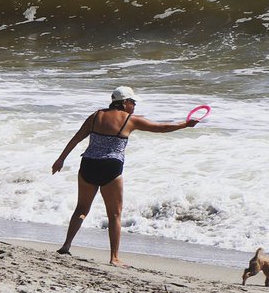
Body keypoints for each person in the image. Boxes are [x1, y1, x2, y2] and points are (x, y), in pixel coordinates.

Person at [52, 85, 198, 266]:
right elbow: (161, 128)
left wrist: (60, 159)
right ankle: (114, 258)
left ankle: (66, 246)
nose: (135, 106)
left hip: (88, 164)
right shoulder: (130, 120)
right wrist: (185, 124)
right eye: (133, 102)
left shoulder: (96, 116)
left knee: (81, 209)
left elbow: (76, 138)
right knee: (114, 214)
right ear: (125, 103)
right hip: (110, 167)